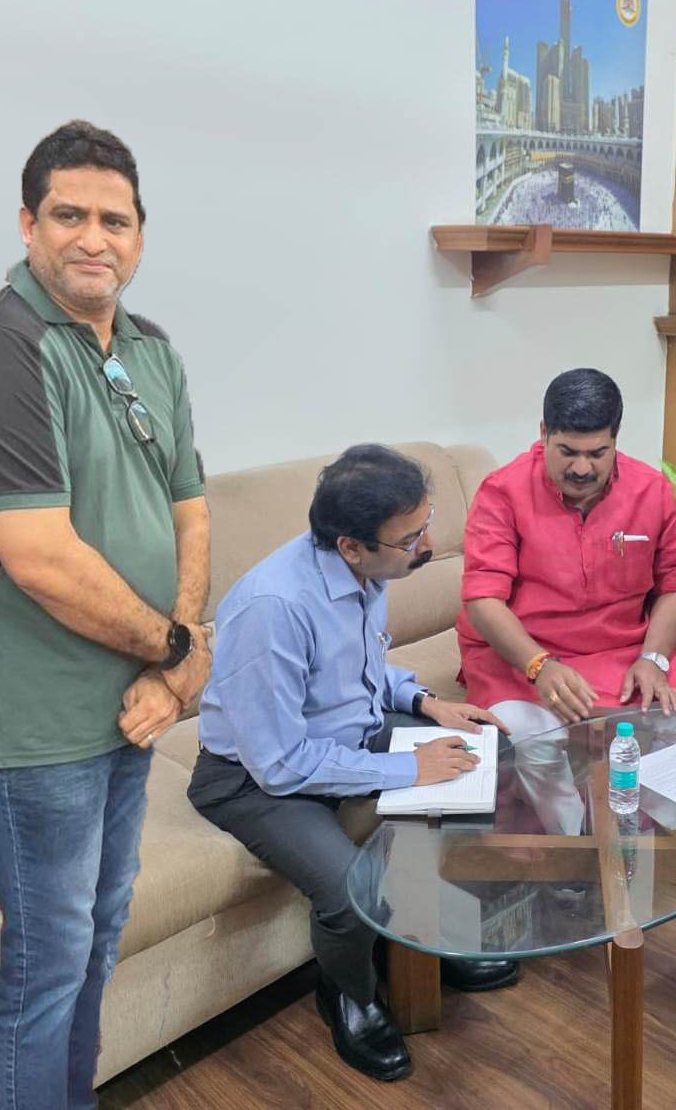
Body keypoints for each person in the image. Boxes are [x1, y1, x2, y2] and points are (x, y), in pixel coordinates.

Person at [0, 120, 211, 1108]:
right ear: (28, 224)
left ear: (139, 235)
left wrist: (174, 664)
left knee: (97, 934)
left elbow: (190, 510)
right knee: (48, 960)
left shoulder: (151, 350)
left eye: (114, 220)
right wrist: (179, 648)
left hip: (132, 708)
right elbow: (41, 560)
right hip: (37, 727)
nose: (94, 238)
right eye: (68, 216)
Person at [189, 445, 516, 1083]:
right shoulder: (273, 608)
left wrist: (425, 702)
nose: (427, 547)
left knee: (480, 753)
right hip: (252, 780)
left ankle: (419, 936)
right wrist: (407, 769)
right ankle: (348, 993)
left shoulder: (369, 575)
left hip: (342, 738)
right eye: (411, 539)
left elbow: (356, 675)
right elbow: (279, 763)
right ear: (350, 546)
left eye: (426, 525)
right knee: (346, 887)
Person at [459, 368, 676, 743]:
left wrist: (654, 659)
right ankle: (569, 787)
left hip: (624, 652)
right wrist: (538, 665)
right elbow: (483, 600)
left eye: (597, 454)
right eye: (567, 452)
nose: (581, 469)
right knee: (527, 733)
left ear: (615, 439)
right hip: (522, 656)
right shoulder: (502, 492)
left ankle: (651, 784)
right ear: (544, 433)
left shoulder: (651, 490)